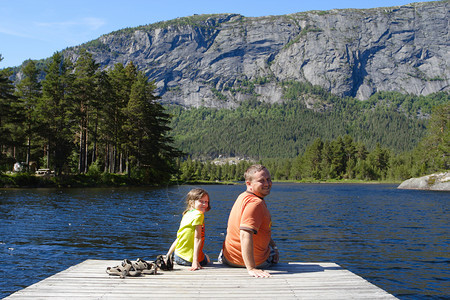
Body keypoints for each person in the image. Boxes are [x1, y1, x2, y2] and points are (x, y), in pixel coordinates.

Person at [220, 164, 279, 277]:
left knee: (271, 247)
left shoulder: (243, 197)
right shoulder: (255, 203)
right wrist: (251, 268)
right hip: (253, 262)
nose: (267, 184)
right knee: (272, 254)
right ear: (249, 184)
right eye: (261, 181)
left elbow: (263, 231)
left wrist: (274, 246)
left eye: (268, 179)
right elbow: (244, 234)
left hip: (228, 258)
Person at [166, 188, 211, 271]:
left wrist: (168, 255)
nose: (205, 204)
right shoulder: (199, 215)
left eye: (207, 202)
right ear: (191, 202)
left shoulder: (186, 214)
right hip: (188, 260)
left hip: (177, 256)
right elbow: (197, 238)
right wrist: (195, 261)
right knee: (207, 258)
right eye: (201, 201)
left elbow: (179, 238)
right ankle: (196, 259)